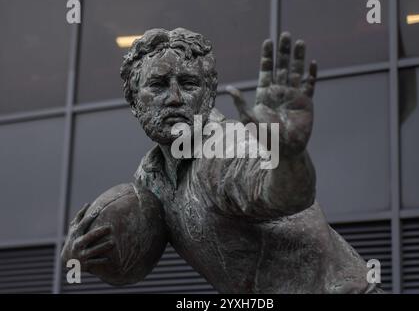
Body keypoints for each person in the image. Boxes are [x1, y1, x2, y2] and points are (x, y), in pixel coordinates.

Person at [62, 28, 382, 293]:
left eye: (188, 84)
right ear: (134, 101)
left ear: (208, 94)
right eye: (158, 85)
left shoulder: (227, 148)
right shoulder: (150, 177)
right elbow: (134, 256)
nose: (174, 97)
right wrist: (81, 255)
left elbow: (284, 195)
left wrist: (288, 155)